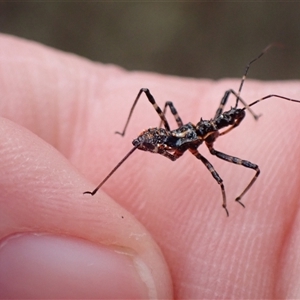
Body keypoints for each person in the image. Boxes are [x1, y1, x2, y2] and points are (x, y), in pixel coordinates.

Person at [0, 34, 299, 298]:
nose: (225, 120)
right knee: (223, 176)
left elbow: (232, 105)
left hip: (177, 137)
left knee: (244, 152)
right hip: (170, 144)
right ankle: (96, 189)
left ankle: (231, 195)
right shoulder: (200, 144)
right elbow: (214, 164)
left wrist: (250, 114)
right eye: (222, 122)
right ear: (213, 129)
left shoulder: (212, 125)